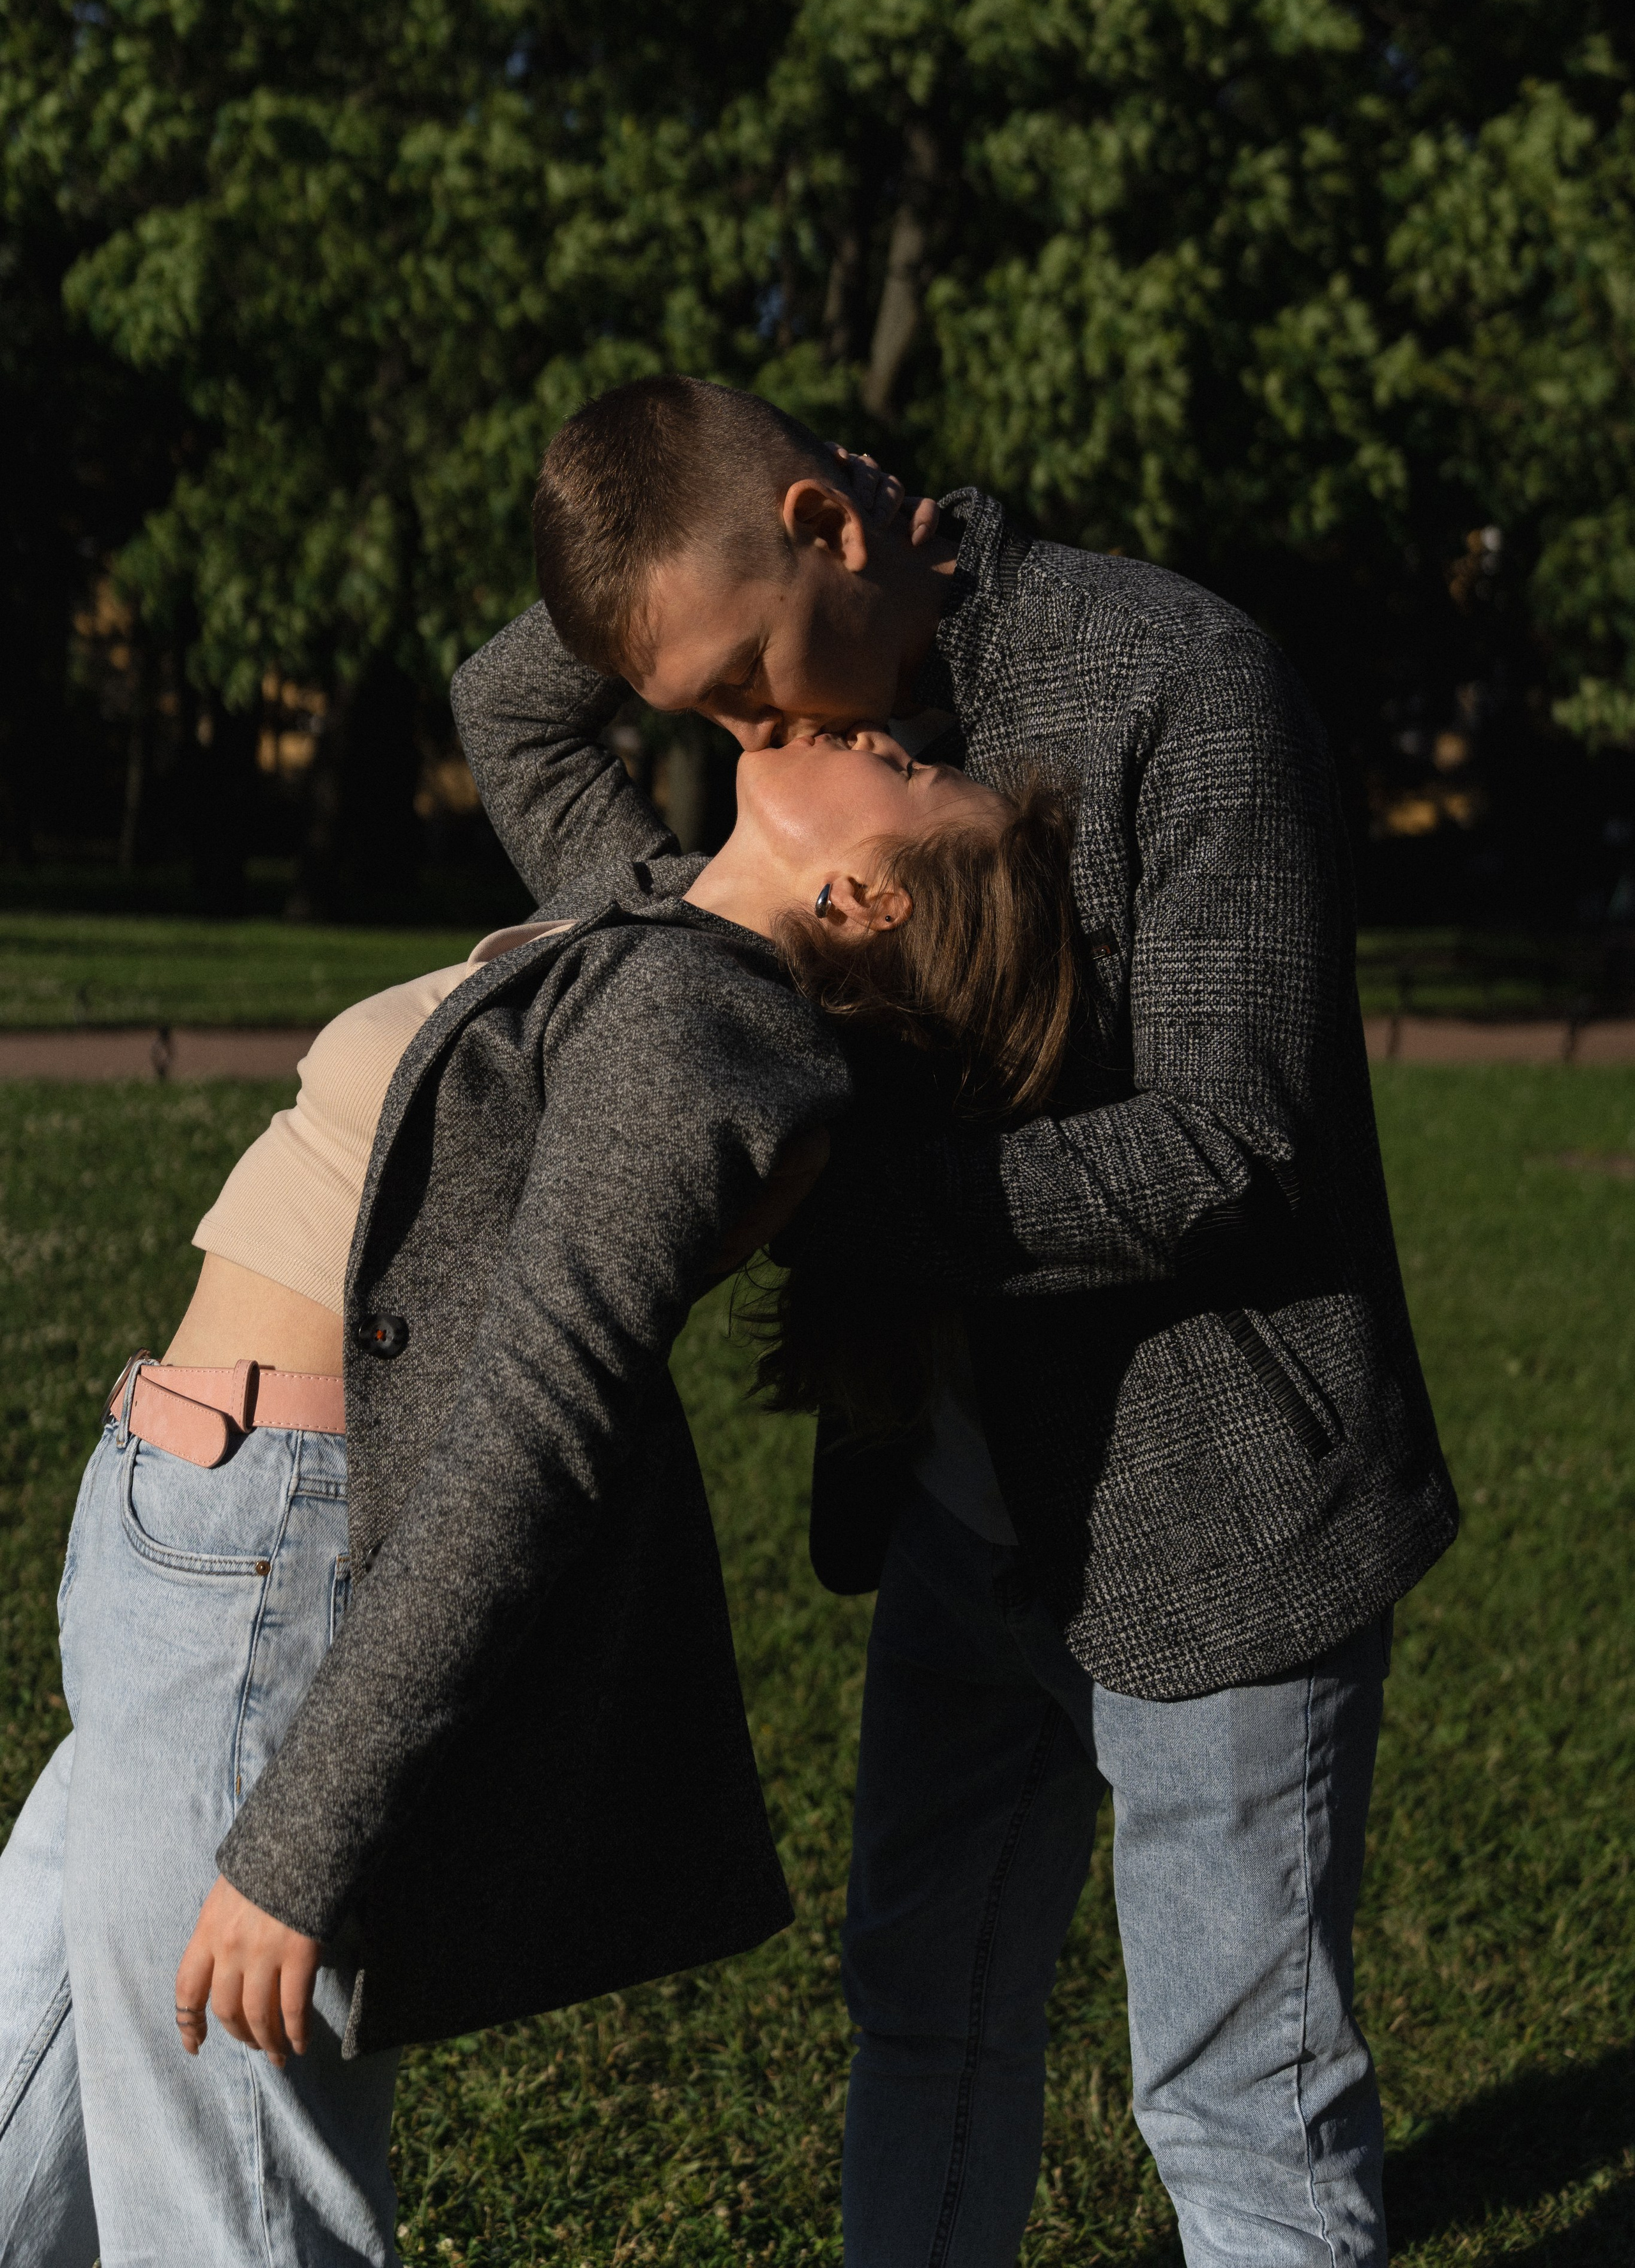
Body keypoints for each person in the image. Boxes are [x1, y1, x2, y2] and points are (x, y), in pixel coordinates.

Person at [450, 372, 1462, 2268]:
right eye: (705, 712)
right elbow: (513, 701)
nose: (748, 736)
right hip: (960, 1519)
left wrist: (837, 1205)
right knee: (926, 2015)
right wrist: (695, 514)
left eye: (746, 679)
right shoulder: (799, 765)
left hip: (1217, 1521)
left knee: (1236, 2110)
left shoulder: (1179, 676)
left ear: (834, 537)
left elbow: (1242, 1147)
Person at [0, 725, 1080, 2268]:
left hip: (279, 1570)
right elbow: (520, 692)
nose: (869, 725)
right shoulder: (651, 915)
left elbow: (530, 1440)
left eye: (903, 766)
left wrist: (300, 1841)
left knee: (226, 2211)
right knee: (22, 2097)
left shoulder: (701, 1027)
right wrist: (794, 619)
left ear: (863, 897)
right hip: (185, 1526)